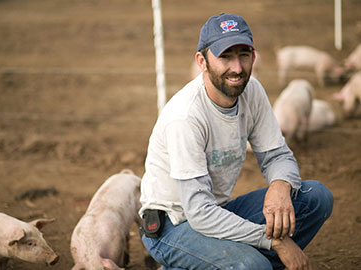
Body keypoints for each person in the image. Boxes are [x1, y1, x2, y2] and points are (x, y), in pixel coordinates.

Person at [139, 13, 333, 270]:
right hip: (173, 226)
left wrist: (280, 184)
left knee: (317, 197)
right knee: (253, 265)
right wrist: (275, 242)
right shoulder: (185, 117)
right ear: (202, 61)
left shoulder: (253, 91)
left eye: (243, 54)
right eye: (225, 57)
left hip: (218, 211)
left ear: (254, 56)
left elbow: (277, 156)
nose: (237, 68)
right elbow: (199, 214)